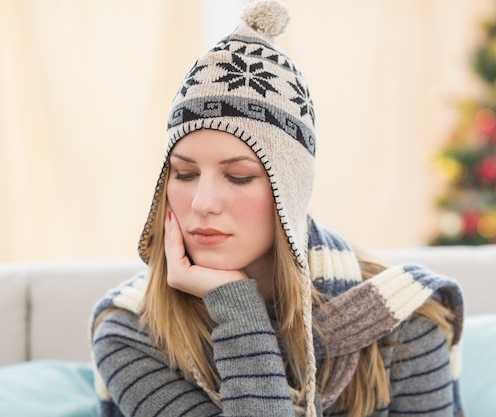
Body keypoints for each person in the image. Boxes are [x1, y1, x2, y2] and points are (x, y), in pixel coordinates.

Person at [90, 1, 465, 416]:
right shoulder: (130, 332)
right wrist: (236, 308)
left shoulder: (404, 320)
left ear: (290, 190)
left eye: (238, 177)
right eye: (184, 173)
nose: (202, 203)